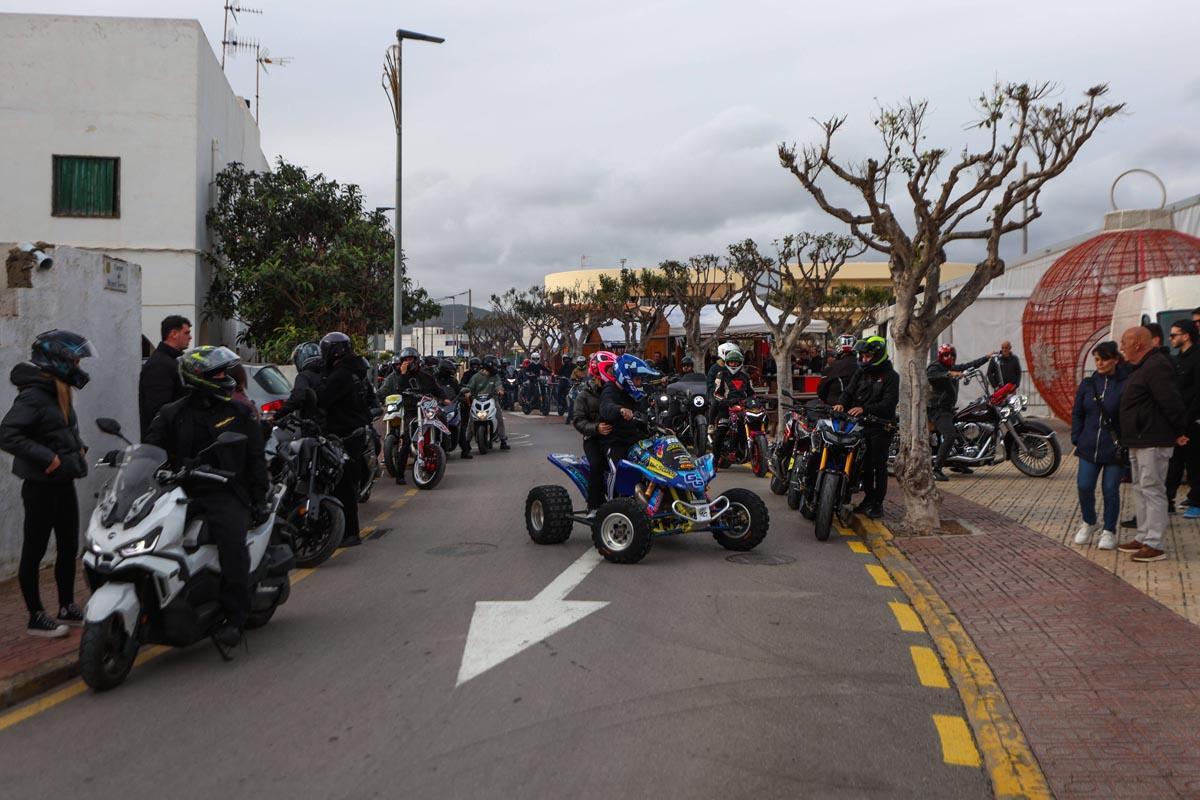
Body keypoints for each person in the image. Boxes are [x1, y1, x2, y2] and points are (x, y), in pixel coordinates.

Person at [144, 345, 269, 649]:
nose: (226, 377)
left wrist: (258, 498)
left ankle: (234, 616)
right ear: (198, 377)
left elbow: (255, 459)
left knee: (231, 544)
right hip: (179, 493)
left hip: (225, 492)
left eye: (226, 372)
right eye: (219, 373)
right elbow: (151, 450)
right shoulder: (172, 413)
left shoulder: (238, 412)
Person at [0, 330, 95, 638]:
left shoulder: (57, 390)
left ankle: (66, 605)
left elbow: (59, 430)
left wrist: (78, 446)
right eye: (75, 359)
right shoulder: (34, 394)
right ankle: (35, 616)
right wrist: (48, 458)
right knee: (35, 549)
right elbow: (8, 434)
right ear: (58, 361)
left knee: (69, 546)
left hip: (63, 481)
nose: (79, 364)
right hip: (41, 485)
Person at [1115, 326, 1189, 562]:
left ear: (1138, 344)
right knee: (1140, 487)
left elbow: (1171, 401)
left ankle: (1154, 543)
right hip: (1139, 439)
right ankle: (1144, 535)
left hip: (1154, 439)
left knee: (1153, 489)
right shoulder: (1142, 367)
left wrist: (1180, 431)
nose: (1121, 347)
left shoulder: (1156, 366)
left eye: (1125, 342)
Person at [1070, 342, 1131, 550]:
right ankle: (1089, 521)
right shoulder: (1088, 384)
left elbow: (1129, 414)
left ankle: (1109, 530)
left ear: (1115, 359)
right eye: (1096, 359)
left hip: (1114, 447)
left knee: (1110, 489)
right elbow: (1078, 411)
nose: (1100, 363)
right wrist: (1076, 437)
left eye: (1104, 359)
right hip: (1088, 446)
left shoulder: (1125, 383)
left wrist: (1127, 439)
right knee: (1084, 486)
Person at [833, 336, 899, 519]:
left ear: (877, 355)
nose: (864, 359)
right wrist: (841, 403)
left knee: (878, 466)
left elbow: (888, 404)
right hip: (861, 426)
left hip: (881, 427)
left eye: (868, 356)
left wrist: (865, 409)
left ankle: (878, 504)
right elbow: (849, 391)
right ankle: (868, 499)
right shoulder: (861, 373)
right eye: (862, 356)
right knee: (864, 466)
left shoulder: (891, 377)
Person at [313, 332, 370, 545]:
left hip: (344, 434)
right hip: (355, 431)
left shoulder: (341, 375)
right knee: (347, 483)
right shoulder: (356, 371)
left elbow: (322, 399)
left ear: (334, 352)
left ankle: (349, 533)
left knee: (343, 485)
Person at [379, 347, 445, 481]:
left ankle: (441, 445)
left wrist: (444, 397)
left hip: (426, 409)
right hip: (411, 411)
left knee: (442, 417)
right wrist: (403, 374)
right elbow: (399, 388)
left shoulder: (425, 376)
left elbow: (436, 388)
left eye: (411, 359)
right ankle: (400, 474)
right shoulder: (399, 377)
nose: (409, 362)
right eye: (406, 360)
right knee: (406, 439)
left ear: (417, 360)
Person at [927, 344, 992, 481]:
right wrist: (949, 374)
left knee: (962, 428)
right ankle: (936, 469)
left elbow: (969, 365)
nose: (949, 357)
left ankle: (960, 463)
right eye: (946, 355)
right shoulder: (936, 367)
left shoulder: (951, 367)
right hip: (938, 409)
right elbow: (932, 375)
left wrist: (986, 358)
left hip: (949, 408)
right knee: (950, 435)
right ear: (940, 356)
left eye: (952, 355)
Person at [599, 354, 661, 471]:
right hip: (616, 442)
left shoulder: (634, 395)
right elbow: (606, 407)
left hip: (636, 441)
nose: (640, 383)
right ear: (626, 377)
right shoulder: (610, 390)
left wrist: (663, 428)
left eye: (641, 379)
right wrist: (620, 410)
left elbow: (644, 416)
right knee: (618, 471)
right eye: (637, 379)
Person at [573, 351, 617, 514]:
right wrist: (596, 428)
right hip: (593, 439)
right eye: (611, 370)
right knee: (597, 464)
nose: (613, 373)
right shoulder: (583, 396)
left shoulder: (615, 392)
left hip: (614, 438)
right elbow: (578, 421)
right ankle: (594, 506)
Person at [1166, 320, 1200, 518]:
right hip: (1177, 421)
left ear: (1186, 336)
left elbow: (1197, 392)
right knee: (1174, 463)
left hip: (1192, 421)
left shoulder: (1197, 358)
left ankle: (1196, 501)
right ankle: (1168, 501)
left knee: (1194, 463)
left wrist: (1187, 419)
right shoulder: (1177, 359)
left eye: (1174, 335)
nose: (1171, 339)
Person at [138, 315, 191, 438]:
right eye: (186, 333)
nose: (190, 337)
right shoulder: (159, 364)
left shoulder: (175, 361)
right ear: (174, 334)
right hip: (163, 443)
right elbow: (159, 409)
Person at [708, 345, 756, 463]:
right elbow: (716, 393)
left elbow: (751, 393)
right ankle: (714, 461)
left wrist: (753, 401)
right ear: (727, 362)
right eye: (731, 362)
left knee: (751, 424)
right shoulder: (721, 374)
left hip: (743, 408)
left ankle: (745, 450)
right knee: (720, 432)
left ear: (740, 363)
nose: (733, 365)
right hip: (726, 407)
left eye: (736, 362)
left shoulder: (745, 376)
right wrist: (725, 401)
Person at [465, 355, 509, 451]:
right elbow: (470, 388)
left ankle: (503, 440)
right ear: (489, 365)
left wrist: (500, 391)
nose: (496, 368)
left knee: (499, 417)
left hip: (492, 400)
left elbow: (498, 386)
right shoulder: (476, 377)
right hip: (477, 401)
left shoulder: (495, 376)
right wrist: (467, 393)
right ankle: (467, 442)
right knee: (471, 419)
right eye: (495, 365)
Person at [276, 342, 325, 423]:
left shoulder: (304, 376)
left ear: (300, 358)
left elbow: (297, 398)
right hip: (337, 426)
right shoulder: (330, 373)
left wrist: (275, 416)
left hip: (315, 426)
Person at [434, 357, 472, 459]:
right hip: (436, 407)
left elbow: (459, 391)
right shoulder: (434, 380)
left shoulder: (452, 381)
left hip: (450, 406)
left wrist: (461, 397)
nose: (451, 373)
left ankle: (465, 451)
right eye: (449, 371)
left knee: (460, 425)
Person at [817, 334, 858, 405]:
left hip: (836, 407)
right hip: (858, 407)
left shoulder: (832, 368)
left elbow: (821, 392)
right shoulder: (863, 366)